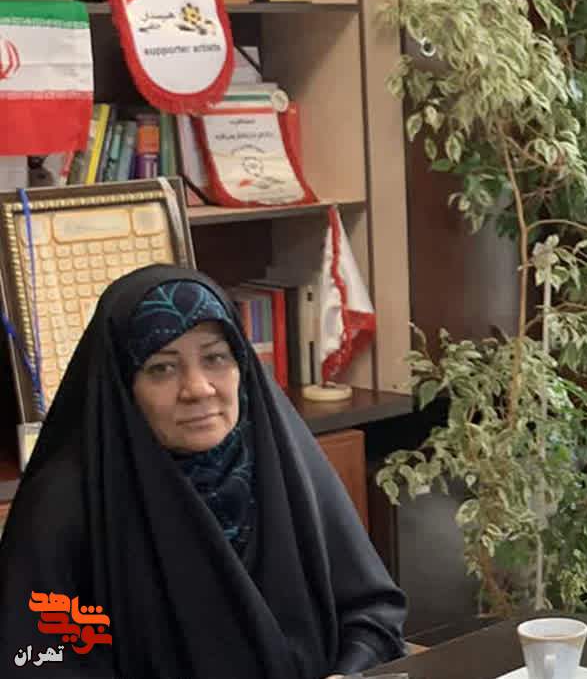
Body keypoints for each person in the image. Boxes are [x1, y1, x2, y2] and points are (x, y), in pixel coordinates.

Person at [0, 265, 406, 678]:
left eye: (215, 358)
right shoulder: (66, 504)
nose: (197, 388)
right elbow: (34, 660)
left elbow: (372, 613)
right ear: (123, 384)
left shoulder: (287, 463)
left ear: (242, 365)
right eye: (162, 367)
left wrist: (346, 673)